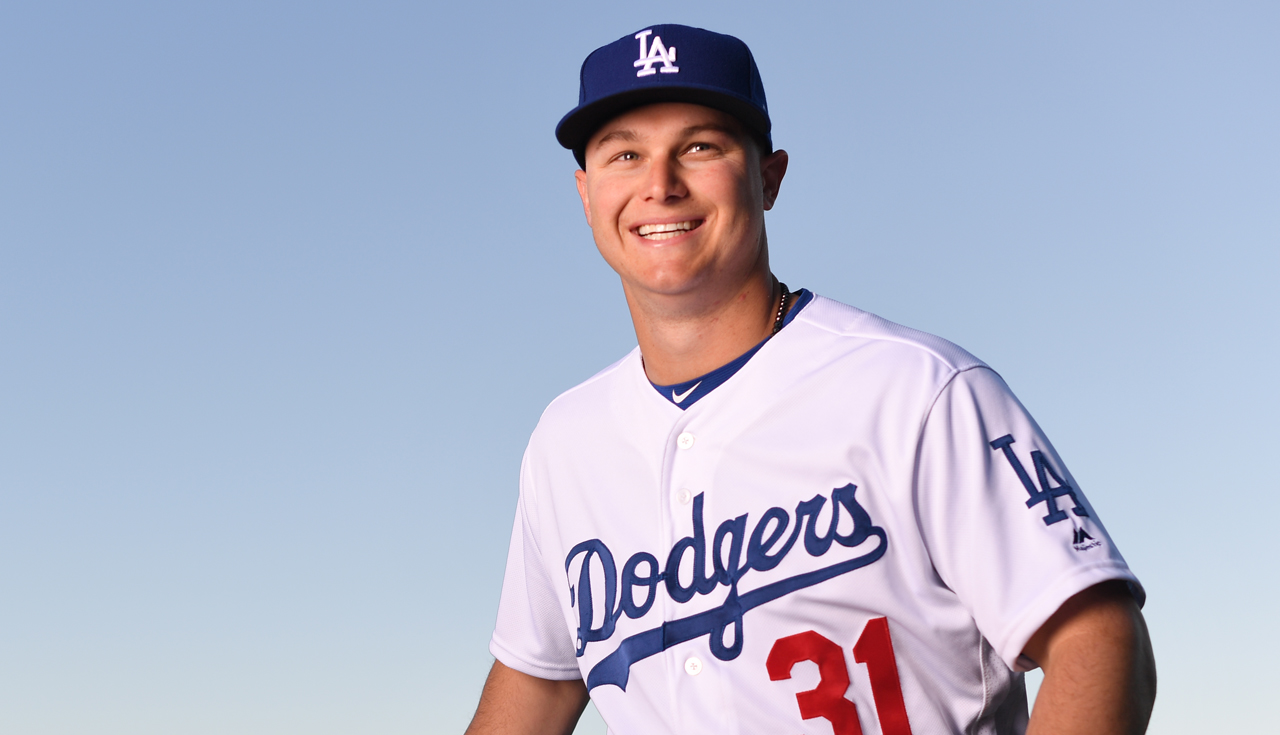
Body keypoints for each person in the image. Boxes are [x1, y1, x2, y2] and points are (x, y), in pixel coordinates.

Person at [466, 24, 1155, 735]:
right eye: (626, 155)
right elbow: (535, 686)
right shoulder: (566, 442)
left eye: (699, 147)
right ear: (586, 194)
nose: (659, 185)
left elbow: (1099, 640)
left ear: (768, 176)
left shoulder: (914, 390)